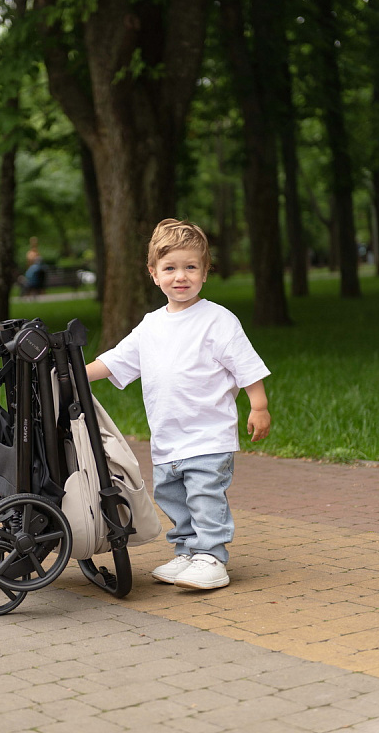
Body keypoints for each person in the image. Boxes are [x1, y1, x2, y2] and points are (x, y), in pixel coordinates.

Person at [86, 218, 271, 590]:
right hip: (168, 438)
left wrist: (259, 406)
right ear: (153, 274)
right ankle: (187, 552)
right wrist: (73, 373)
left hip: (208, 435)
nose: (180, 276)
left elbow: (246, 366)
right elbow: (117, 360)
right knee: (173, 497)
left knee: (204, 496)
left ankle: (211, 557)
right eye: (170, 268)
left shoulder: (218, 320)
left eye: (191, 267)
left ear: (205, 272)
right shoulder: (151, 325)